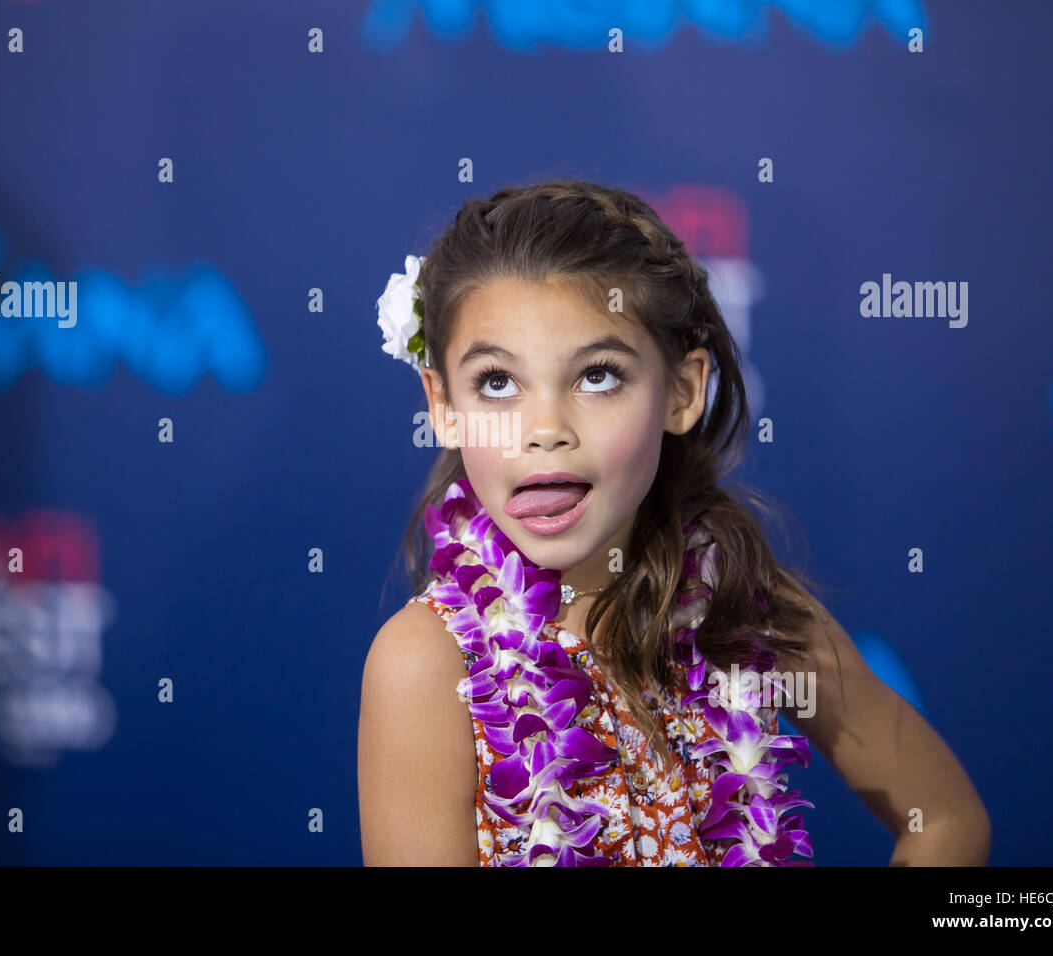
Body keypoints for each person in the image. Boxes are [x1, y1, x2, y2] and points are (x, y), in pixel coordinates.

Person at [357, 179, 990, 866]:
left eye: (597, 376)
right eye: (498, 383)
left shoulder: (750, 613)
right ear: (443, 405)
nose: (544, 431)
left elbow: (945, 820)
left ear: (683, 391)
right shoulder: (427, 663)